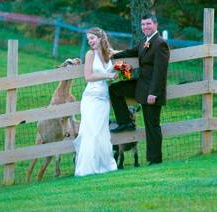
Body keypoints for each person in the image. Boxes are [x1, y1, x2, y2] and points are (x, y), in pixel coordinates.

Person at [109, 14, 170, 165]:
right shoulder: (145, 41)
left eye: (148, 24)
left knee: (152, 125)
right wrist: (113, 54)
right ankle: (125, 121)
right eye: (143, 25)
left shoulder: (160, 43)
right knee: (115, 89)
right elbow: (132, 52)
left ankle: (155, 159)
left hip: (152, 91)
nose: (145, 27)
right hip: (142, 85)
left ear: (156, 24)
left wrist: (153, 93)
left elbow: (160, 72)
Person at [73, 27, 118, 176]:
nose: (90, 42)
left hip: (104, 99)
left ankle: (105, 166)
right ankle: (86, 169)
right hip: (91, 98)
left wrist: (124, 70)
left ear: (100, 38)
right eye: (88, 40)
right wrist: (108, 75)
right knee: (91, 132)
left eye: (92, 38)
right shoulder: (90, 54)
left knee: (102, 132)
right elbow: (88, 77)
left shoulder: (109, 53)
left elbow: (124, 58)